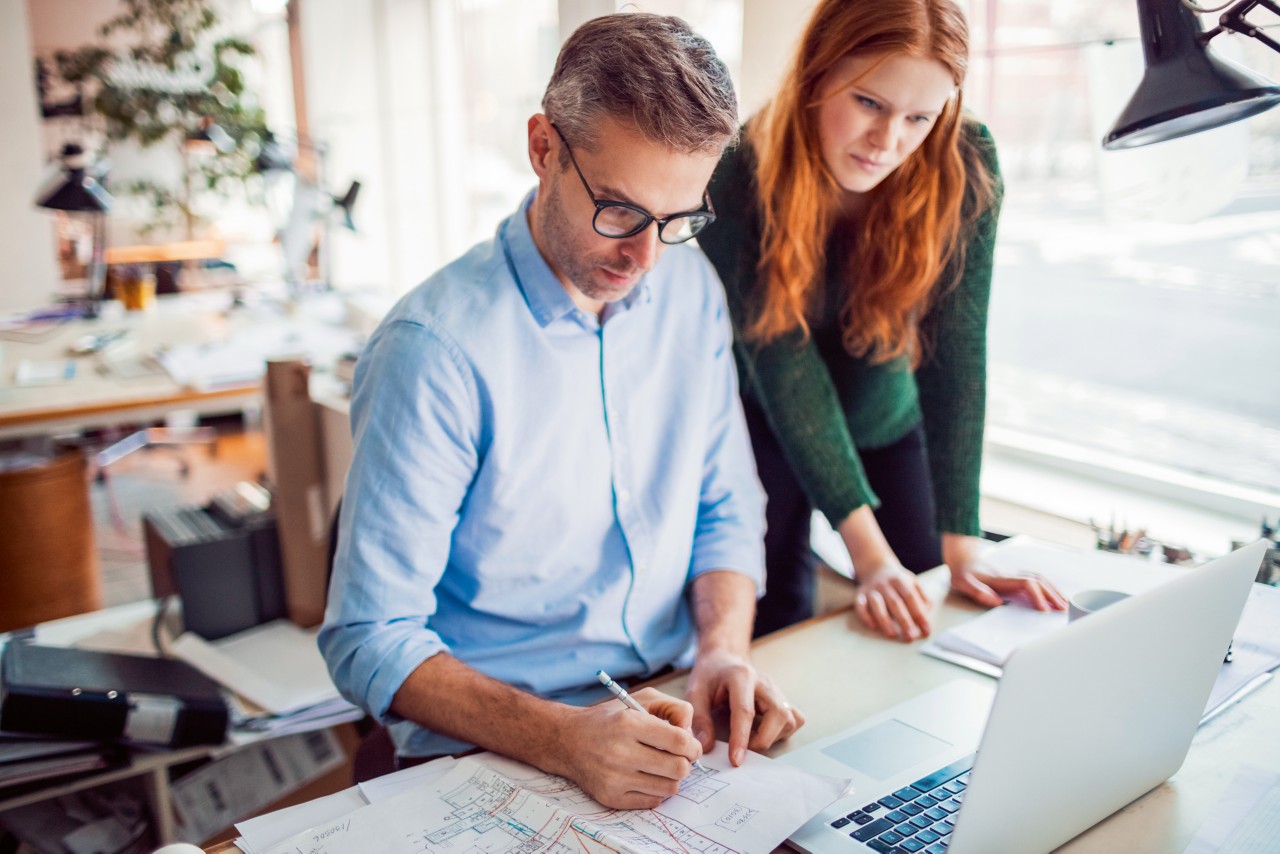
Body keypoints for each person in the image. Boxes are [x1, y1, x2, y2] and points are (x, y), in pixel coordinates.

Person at [319, 13, 802, 810]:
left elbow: (725, 505)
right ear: (543, 147)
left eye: (678, 221)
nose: (645, 259)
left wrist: (722, 651)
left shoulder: (689, 290)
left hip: (672, 714)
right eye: (619, 211)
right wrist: (566, 738)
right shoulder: (432, 348)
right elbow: (369, 636)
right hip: (494, 745)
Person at [697, 0, 1067, 640]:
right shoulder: (740, 169)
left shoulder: (968, 160)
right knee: (776, 613)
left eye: (919, 117)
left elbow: (957, 353)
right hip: (767, 416)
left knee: (932, 597)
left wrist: (964, 544)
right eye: (869, 102)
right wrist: (866, 555)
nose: (888, 141)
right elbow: (784, 362)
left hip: (886, 413)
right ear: (817, 72)